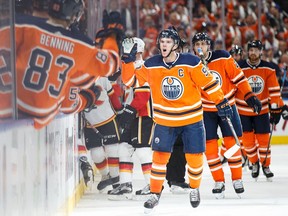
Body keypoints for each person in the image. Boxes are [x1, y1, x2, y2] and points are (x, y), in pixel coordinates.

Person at [121, 27, 232, 213]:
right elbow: (129, 82)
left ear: (175, 45)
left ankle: (195, 188)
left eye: (168, 42)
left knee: (195, 160)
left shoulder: (191, 62)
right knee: (159, 159)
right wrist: (126, 61)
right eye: (162, 41)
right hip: (165, 121)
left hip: (192, 120)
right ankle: (155, 194)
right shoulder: (151, 64)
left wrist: (221, 101)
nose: (164, 45)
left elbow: (209, 83)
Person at [15, 0, 122, 129]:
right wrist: (111, 36)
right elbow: (68, 105)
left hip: (12, 111)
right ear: (74, 15)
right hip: (37, 121)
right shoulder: (77, 45)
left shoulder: (25, 29)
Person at [192, 32, 262, 199]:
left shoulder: (223, 57)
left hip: (228, 107)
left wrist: (249, 95)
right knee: (210, 150)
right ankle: (219, 181)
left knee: (232, 145)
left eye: (203, 43)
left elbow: (239, 78)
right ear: (194, 48)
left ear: (209, 45)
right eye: (197, 44)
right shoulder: (192, 63)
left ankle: (237, 179)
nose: (200, 46)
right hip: (206, 111)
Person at [107, 37, 153, 201]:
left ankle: (153, 185)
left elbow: (143, 96)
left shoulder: (143, 67)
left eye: (130, 49)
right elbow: (126, 87)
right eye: (124, 49)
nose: (126, 53)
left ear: (138, 51)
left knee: (142, 150)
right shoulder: (129, 67)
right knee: (124, 148)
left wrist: (129, 110)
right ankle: (125, 184)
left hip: (144, 114)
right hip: (133, 113)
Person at [235, 40, 287, 181]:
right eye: (251, 50)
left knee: (264, 140)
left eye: (256, 50)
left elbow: (274, 92)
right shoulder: (239, 67)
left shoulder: (269, 68)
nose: (253, 53)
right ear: (247, 52)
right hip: (242, 111)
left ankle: (265, 165)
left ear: (261, 51)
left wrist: (276, 109)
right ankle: (254, 162)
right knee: (247, 141)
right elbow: (233, 88)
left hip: (262, 110)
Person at [82, 76, 123, 191]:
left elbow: (113, 96)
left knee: (112, 150)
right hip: (91, 124)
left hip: (108, 120)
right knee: (96, 154)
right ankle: (105, 176)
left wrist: (120, 111)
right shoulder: (76, 80)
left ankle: (116, 180)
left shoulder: (102, 78)